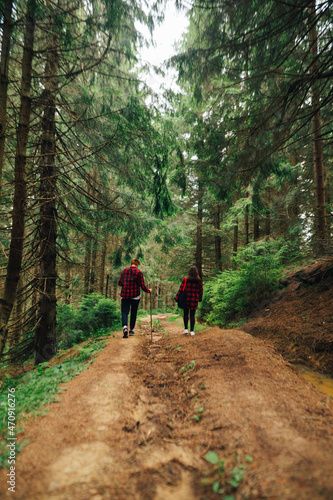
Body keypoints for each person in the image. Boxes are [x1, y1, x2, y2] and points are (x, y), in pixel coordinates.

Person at [118, 258, 152, 338]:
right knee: (133, 312)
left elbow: (119, 283)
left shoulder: (124, 271)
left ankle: (125, 327)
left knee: (124, 312)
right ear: (137, 264)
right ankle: (131, 330)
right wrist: (148, 290)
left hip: (125, 295)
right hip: (135, 296)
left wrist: (125, 285)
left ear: (131, 264)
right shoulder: (139, 272)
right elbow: (142, 285)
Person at [175, 266, 203, 336]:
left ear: (189, 272)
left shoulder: (185, 279)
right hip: (194, 300)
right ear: (196, 272)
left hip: (186, 299)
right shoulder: (199, 281)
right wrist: (200, 299)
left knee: (185, 314)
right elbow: (201, 291)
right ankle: (192, 331)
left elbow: (181, 289)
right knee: (192, 315)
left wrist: (177, 298)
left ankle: (186, 329)